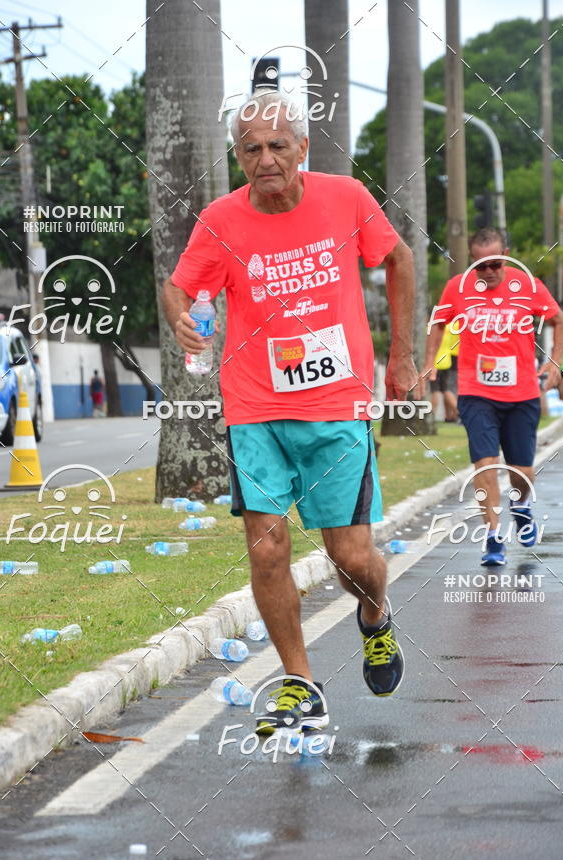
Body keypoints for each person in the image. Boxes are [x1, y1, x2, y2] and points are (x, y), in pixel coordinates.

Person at [162, 90, 416, 735]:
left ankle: (375, 617)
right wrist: (182, 320)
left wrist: (403, 358)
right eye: (252, 148)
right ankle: (301, 682)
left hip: (336, 404)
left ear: (304, 147)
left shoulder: (346, 199)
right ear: (238, 157)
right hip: (253, 408)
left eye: (279, 145)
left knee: (353, 559)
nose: (266, 158)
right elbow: (179, 286)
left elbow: (398, 259)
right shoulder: (221, 219)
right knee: (268, 552)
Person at [419, 227, 563, 566]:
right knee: (485, 464)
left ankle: (521, 505)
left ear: (507, 256)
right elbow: (438, 323)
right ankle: (493, 537)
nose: (487, 272)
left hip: (522, 393)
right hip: (476, 392)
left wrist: (555, 363)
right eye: (480, 266)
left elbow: (560, 320)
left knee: (521, 472)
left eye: (495, 264)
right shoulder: (457, 288)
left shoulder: (526, 285)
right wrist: (430, 362)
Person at [429, 323, 459, 422]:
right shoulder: (450, 328)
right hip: (446, 362)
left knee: (434, 390)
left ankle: (431, 416)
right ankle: (459, 412)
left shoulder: (432, 329)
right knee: (446, 389)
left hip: (435, 363)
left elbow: (431, 347)